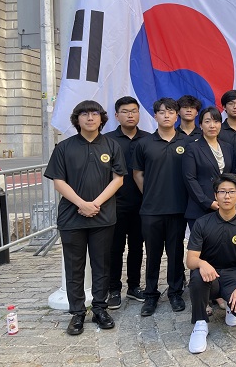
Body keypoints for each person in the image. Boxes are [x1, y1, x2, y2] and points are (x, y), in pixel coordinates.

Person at [44, 100, 126, 335]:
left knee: (102, 264)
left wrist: (96, 204)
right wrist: (81, 204)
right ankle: (77, 313)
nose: (90, 118)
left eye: (94, 114)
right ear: (76, 119)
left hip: (103, 216)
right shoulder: (65, 147)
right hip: (72, 217)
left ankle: (100, 308)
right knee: (75, 266)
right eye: (84, 114)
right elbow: (58, 181)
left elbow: (118, 179)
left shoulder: (112, 145)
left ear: (102, 118)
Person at [186, 174, 236, 354]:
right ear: (215, 195)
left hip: (234, 274)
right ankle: (200, 323)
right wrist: (202, 263)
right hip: (209, 276)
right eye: (222, 192)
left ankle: (230, 306)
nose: (227, 196)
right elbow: (190, 260)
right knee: (196, 276)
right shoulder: (202, 223)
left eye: (231, 192)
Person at [132, 98, 189, 316]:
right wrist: (150, 194)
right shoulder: (144, 143)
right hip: (151, 209)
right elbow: (138, 174)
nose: (166, 115)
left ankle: (175, 292)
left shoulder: (187, 142)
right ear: (154, 116)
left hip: (178, 208)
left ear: (177, 116)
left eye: (171, 112)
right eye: (162, 112)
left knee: (175, 253)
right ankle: (151, 295)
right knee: (153, 254)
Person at [105, 96, 149, 310]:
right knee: (114, 248)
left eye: (134, 111)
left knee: (136, 247)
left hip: (142, 204)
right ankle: (113, 288)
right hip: (115, 204)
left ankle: (134, 287)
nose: (130, 115)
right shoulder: (107, 141)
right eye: (125, 111)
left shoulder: (148, 139)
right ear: (116, 115)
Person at [182, 107, 235, 231]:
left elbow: (232, 175)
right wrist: (207, 202)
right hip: (201, 208)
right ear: (200, 125)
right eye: (207, 121)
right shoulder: (192, 148)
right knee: (201, 249)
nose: (212, 125)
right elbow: (190, 179)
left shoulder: (228, 147)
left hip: (224, 208)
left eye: (216, 121)